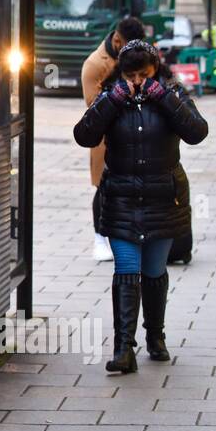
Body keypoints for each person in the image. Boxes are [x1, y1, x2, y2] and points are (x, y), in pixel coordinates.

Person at [74, 39, 209, 373]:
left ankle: (155, 336)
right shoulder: (111, 95)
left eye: (143, 74)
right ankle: (123, 348)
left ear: (156, 70)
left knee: (153, 272)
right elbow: (84, 135)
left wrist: (163, 98)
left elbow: (197, 132)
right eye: (130, 75)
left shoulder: (172, 93)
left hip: (163, 198)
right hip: (121, 198)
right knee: (126, 270)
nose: (136, 82)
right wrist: (112, 102)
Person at [81, 15, 145, 262]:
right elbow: (93, 106)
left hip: (135, 135)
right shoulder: (96, 65)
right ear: (118, 40)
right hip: (107, 138)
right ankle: (99, 238)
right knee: (104, 187)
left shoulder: (138, 56)